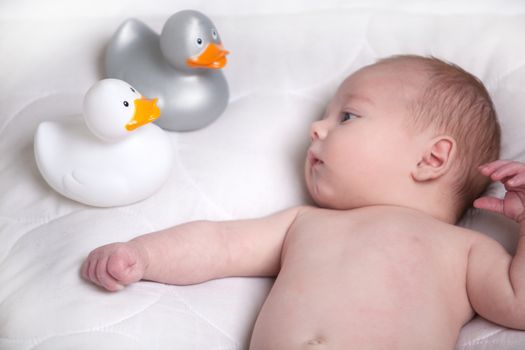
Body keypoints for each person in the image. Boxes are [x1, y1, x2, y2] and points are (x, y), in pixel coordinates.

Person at [82, 55, 525, 350]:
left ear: (432, 158)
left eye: (347, 116)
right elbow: (218, 244)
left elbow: (517, 304)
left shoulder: (463, 251)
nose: (315, 128)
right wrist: (141, 254)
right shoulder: (304, 223)